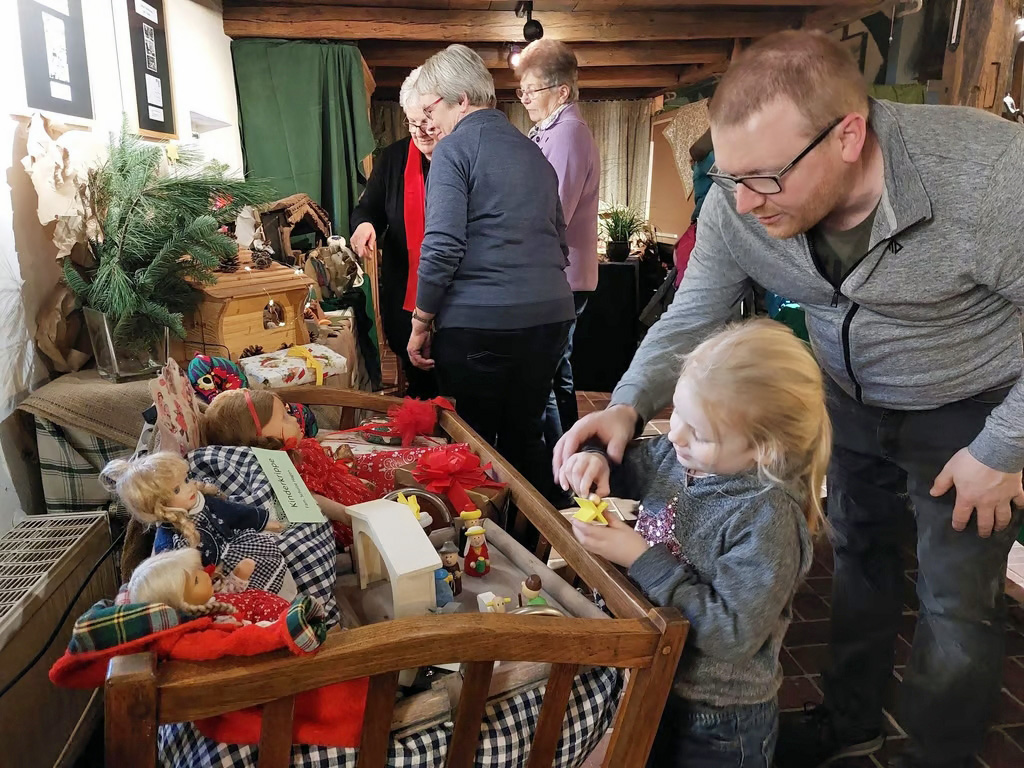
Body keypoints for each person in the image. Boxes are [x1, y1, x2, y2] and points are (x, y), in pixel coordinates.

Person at [553, 29, 1024, 768]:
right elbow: (692, 313)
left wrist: (1003, 449)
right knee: (860, 558)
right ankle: (850, 722)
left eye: (764, 178)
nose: (741, 202)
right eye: (731, 177)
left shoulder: (987, 175)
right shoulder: (741, 199)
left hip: (970, 404)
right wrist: (627, 403)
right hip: (848, 397)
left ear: (848, 135)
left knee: (957, 599)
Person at [563, 320, 828, 768]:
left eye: (700, 433)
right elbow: (626, 465)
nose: (675, 435)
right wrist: (592, 461)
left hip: (717, 720)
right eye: (677, 413)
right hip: (650, 682)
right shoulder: (679, 455)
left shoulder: (767, 517)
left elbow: (732, 635)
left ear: (763, 450)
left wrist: (640, 558)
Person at [407, 44, 575, 499]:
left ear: (462, 98)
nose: (426, 123)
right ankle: (535, 551)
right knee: (526, 436)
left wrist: (421, 321)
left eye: (430, 108)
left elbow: (441, 245)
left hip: (482, 324)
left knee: (472, 446)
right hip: (550, 317)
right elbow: (560, 243)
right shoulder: (533, 150)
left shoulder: (453, 150)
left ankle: (477, 553)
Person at [516, 39, 601, 449]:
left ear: (561, 91)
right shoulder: (554, 131)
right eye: (523, 91)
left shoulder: (568, 133)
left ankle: (562, 461)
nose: (525, 99)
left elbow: (555, 213)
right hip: (558, 275)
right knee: (553, 371)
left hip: (563, 277)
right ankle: (567, 456)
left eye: (531, 90)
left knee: (548, 374)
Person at [350, 67, 439, 398]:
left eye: (427, 121)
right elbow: (368, 208)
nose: (420, 131)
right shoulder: (393, 158)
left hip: (457, 299)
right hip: (405, 292)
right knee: (420, 385)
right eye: (412, 122)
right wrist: (364, 225)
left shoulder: (461, 155)